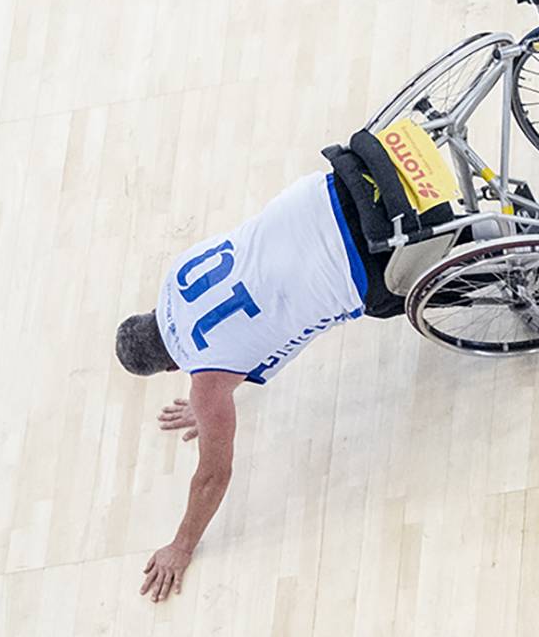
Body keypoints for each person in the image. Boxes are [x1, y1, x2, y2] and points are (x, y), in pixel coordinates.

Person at [115, 166, 403, 603]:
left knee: (396, 299)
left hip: (353, 264)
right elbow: (234, 318)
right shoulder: (176, 274)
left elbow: (213, 476)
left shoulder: (207, 382)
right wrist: (206, 403)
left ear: (170, 369)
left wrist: (181, 546)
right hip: (327, 190)